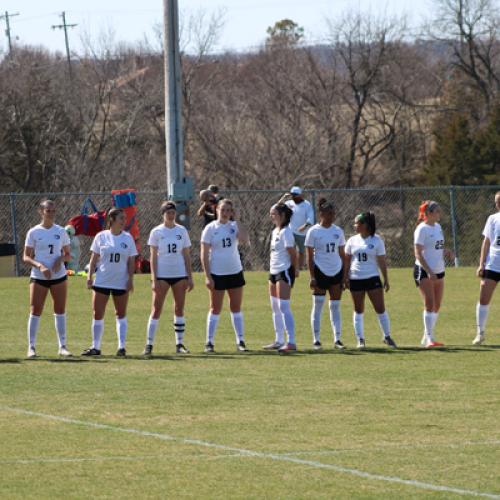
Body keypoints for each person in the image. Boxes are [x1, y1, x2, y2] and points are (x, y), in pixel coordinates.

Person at [82, 208, 138, 357]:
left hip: (121, 281)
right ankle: (96, 347)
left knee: (120, 314)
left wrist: (130, 280)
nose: (124, 221)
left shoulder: (127, 238)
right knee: (97, 313)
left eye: (124, 218)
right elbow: (93, 259)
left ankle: (121, 347)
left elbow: (131, 262)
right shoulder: (101, 236)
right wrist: (89, 277)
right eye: (121, 218)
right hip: (102, 281)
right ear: (112, 219)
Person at [143, 201, 194, 355]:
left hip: (179, 274)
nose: (171, 215)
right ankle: (149, 345)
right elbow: (153, 257)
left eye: (173, 213)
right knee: (156, 309)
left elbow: (186, 255)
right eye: (168, 213)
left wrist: (189, 277)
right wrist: (154, 278)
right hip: (162, 275)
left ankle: (179, 344)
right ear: (163, 214)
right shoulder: (157, 232)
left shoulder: (181, 230)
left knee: (179, 308)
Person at [23, 199, 72, 358]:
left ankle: (62, 346)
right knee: (35, 310)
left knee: (60, 310)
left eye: (53, 211)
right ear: (41, 212)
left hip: (59, 276)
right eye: (47, 211)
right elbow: (25, 257)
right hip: (39, 276)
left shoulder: (61, 231)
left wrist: (59, 260)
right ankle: (31, 347)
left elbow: (68, 254)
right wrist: (40, 266)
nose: (50, 214)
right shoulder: (34, 232)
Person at [201, 199, 250, 353]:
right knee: (215, 308)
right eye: (223, 210)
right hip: (217, 273)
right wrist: (208, 276)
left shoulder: (234, 226)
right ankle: (209, 342)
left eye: (229, 210)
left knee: (235, 307)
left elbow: (244, 240)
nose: (226, 213)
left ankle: (240, 341)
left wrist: (238, 220)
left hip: (235, 271)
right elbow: (203, 253)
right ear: (217, 210)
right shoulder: (210, 228)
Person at [344, 212, 397, 349]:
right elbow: (347, 261)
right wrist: (345, 278)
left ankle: (387, 336)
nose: (355, 225)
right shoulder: (352, 241)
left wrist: (386, 278)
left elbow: (382, 261)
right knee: (358, 309)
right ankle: (360, 339)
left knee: (380, 309)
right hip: (356, 278)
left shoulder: (376, 240)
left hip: (372, 278)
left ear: (365, 225)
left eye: (357, 223)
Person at [305, 199, 346, 350]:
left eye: (333, 213)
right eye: (330, 213)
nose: (333, 215)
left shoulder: (338, 231)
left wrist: (344, 276)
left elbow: (342, 254)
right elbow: (309, 257)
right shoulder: (313, 231)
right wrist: (312, 276)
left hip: (336, 271)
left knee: (335, 306)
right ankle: (316, 340)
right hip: (320, 271)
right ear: (321, 214)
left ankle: (338, 339)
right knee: (318, 306)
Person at [414, 201, 454, 348]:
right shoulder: (421, 229)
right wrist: (429, 271)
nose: (439, 213)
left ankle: (426, 336)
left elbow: (437, 247)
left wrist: (446, 251)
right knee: (429, 304)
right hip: (424, 270)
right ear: (429, 214)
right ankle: (430, 339)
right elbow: (418, 253)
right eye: (436, 211)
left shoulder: (438, 227)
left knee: (437, 305)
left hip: (439, 269)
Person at [264, 203, 299, 352]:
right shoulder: (275, 231)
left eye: (274, 214)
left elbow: (292, 253)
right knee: (275, 307)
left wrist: (295, 269)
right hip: (272, 271)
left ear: (283, 216)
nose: (271, 217)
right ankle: (279, 340)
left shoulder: (286, 232)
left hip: (283, 271)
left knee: (284, 306)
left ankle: (291, 341)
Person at [474, 191, 500, 345]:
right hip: (493, 264)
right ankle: (480, 333)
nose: (498, 204)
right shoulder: (493, 219)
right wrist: (481, 264)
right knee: (483, 298)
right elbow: (486, 241)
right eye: (497, 201)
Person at [281, 186, 314, 269]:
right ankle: (290, 267)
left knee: (302, 252)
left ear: (300, 195)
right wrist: (283, 198)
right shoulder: (289, 203)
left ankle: (299, 268)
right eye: (292, 195)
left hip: (302, 233)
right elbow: (276, 207)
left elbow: (310, 218)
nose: (293, 197)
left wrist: (305, 226)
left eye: (295, 195)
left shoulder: (307, 205)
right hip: (290, 231)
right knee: (290, 249)